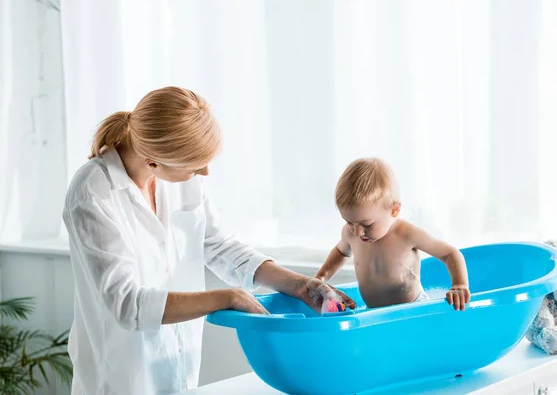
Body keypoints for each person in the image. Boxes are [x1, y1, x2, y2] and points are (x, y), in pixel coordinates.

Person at [62, 86, 355, 394]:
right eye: (194, 166)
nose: (204, 171)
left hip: (180, 370)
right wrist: (227, 297)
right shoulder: (93, 192)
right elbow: (127, 305)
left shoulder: (177, 177)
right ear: (153, 162)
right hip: (121, 378)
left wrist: (297, 285)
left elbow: (219, 244)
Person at [315, 158, 470, 310]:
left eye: (367, 224)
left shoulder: (406, 234)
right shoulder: (350, 233)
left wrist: (459, 284)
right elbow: (341, 252)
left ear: (394, 210)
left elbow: (450, 254)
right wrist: (321, 277)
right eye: (349, 221)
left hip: (413, 309)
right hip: (374, 312)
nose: (357, 231)